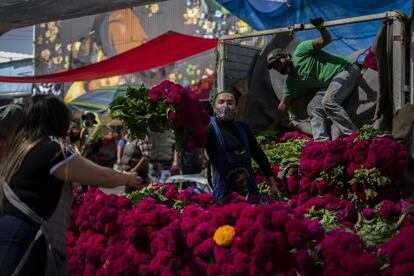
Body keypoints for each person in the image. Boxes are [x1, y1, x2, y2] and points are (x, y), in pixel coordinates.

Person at [0, 95, 141, 276]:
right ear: (59, 119)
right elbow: (102, 176)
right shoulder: (51, 149)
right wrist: (127, 178)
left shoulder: (25, 147)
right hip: (25, 237)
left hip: (10, 230)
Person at [269, 17, 362, 141]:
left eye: (277, 62)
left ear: (287, 56)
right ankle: (321, 143)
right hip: (329, 84)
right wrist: (273, 126)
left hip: (346, 70)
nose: (277, 67)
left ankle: (354, 137)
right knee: (313, 107)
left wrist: (321, 27)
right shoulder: (292, 82)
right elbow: (284, 104)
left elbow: (326, 40)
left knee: (328, 102)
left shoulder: (301, 51)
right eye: (274, 67)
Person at [205, 90, 281, 202]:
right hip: (224, 194)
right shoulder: (210, 130)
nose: (225, 105)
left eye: (230, 102)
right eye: (221, 102)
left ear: (236, 108)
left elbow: (258, 154)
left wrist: (272, 182)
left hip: (248, 191)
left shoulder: (242, 128)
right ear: (214, 108)